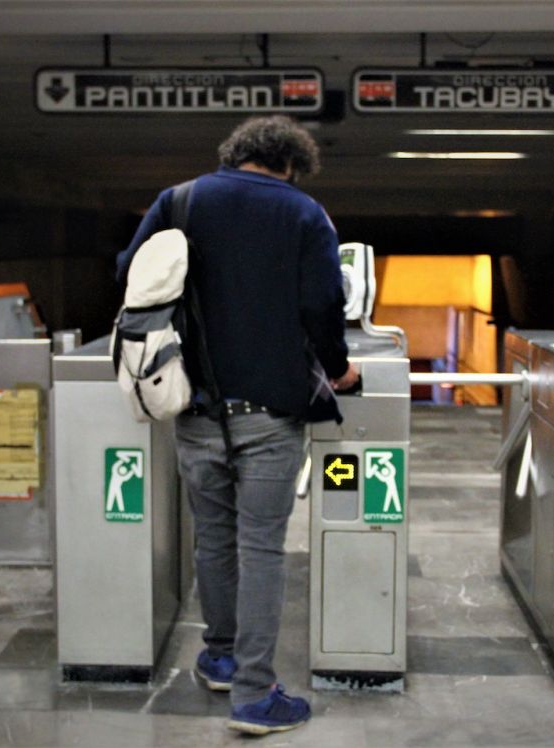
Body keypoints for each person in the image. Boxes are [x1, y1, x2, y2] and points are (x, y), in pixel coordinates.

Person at [116, 115, 359, 735]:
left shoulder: (179, 201)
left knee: (214, 539)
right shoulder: (305, 213)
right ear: (290, 165)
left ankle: (222, 656)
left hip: (195, 407)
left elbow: (130, 274)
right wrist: (339, 369)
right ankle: (254, 694)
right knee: (261, 549)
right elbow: (323, 307)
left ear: (235, 155)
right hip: (271, 416)